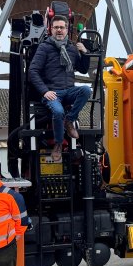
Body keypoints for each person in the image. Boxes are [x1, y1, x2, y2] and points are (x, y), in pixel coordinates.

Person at [28, 15, 92, 162]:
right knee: (58, 111)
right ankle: (58, 143)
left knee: (86, 90)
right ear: (51, 29)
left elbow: (82, 69)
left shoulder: (71, 47)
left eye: (62, 27)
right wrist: (45, 91)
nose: (59, 30)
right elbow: (33, 71)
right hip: (52, 92)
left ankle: (69, 121)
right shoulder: (44, 47)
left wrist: (85, 53)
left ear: (67, 29)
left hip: (69, 90)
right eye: (56, 27)